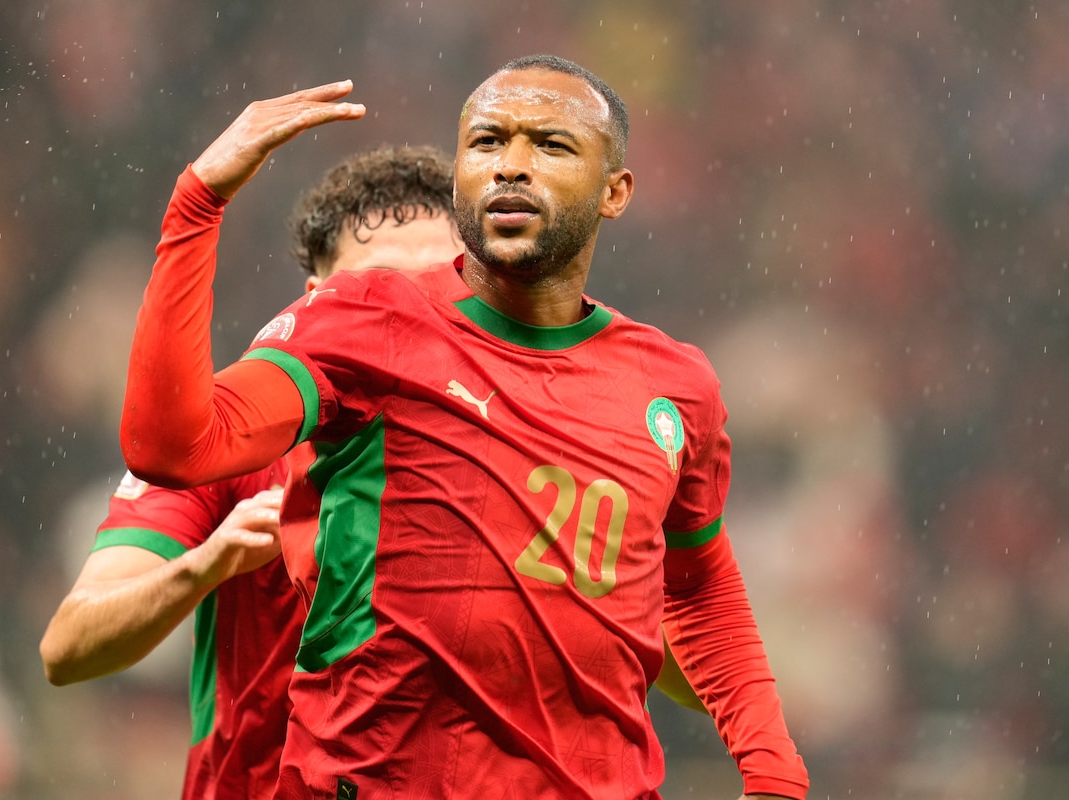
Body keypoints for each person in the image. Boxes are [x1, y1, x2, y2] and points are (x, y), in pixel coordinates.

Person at [118, 54, 807, 800]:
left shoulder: (675, 387)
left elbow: (700, 589)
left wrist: (773, 769)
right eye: (486, 142)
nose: (511, 166)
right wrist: (199, 203)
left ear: (616, 192)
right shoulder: (365, 320)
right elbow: (172, 447)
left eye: (551, 145)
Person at [39, 145, 467, 799]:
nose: (410, 311)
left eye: (440, 283)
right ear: (317, 301)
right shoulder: (220, 443)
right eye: (377, 286)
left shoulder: (520, 447)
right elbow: (69, 647)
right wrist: (208, 563)